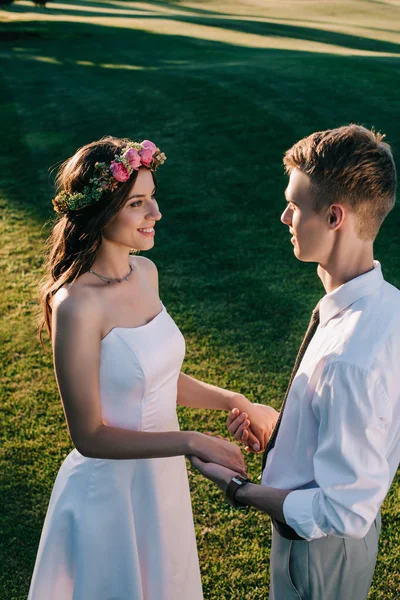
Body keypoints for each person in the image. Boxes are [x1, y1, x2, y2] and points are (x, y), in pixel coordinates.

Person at [28, 136, 277, 600]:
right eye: (138, 203)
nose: (155, 213)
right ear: (101, 211)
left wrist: (233, 399)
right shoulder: (76, 305)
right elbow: (89, 436)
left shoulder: (146, 273)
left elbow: (154, 378)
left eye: (153, 197)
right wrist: (191, 441)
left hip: (159, 483)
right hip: (110, 495)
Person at [189, 124, 400, 600]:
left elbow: (343, 509)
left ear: (333, 217)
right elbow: (360, 427)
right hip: (333, 548)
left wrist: (237, 488)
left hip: (319, 553)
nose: (285, 216)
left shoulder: (350, 358)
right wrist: (284, 431)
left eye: (295, 205)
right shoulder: (386, 307)